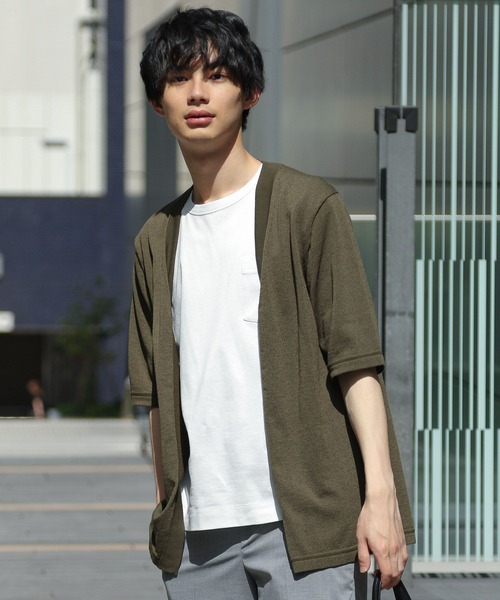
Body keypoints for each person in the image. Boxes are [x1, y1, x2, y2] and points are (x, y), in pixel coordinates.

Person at [128, 7, 415, 599]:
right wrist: (166, 509)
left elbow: (355, 362)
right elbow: (154, 395)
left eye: (217, 75)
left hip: (310, 528)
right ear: (158, 102)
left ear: (250, 93)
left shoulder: (306, 206)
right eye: (179, 78)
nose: (198, 93)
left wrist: (380, 498)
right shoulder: (157, 239)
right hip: (200, 541)